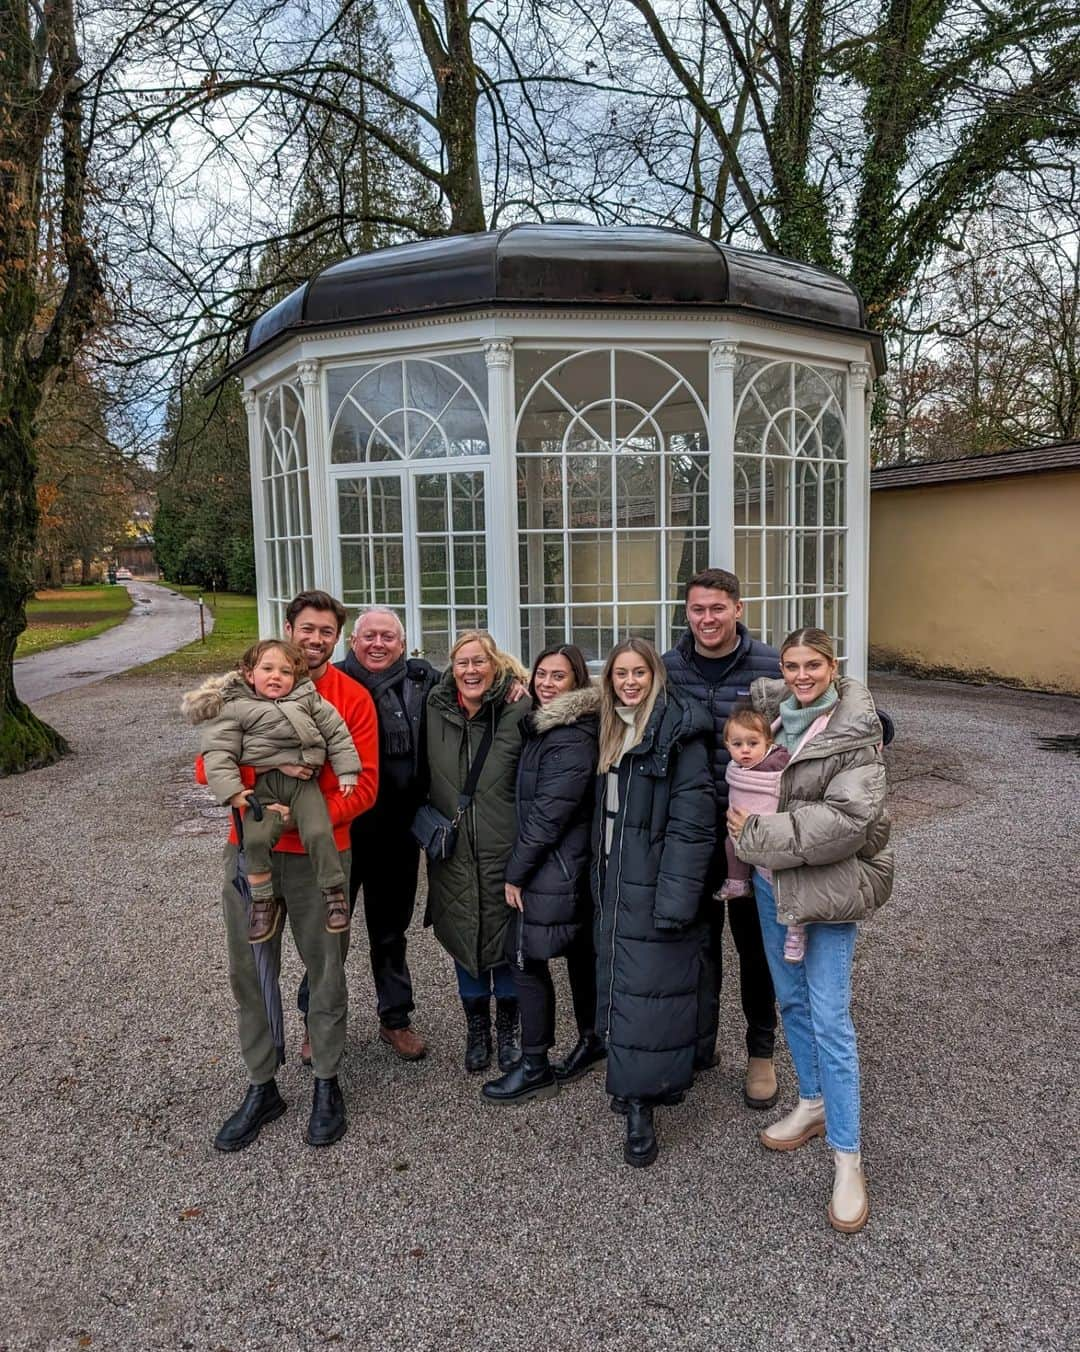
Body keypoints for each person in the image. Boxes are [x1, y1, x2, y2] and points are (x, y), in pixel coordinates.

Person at [200, 590, 379, 1153]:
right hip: (251, 845)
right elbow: (209, 763)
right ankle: (262, 1083)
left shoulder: (349, 698)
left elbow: (364, 783)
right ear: (288, 629)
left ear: (336, 638)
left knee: (326, 968)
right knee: (251, 972)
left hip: (320, 858)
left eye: (327, 631)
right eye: (307, 628)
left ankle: (327, 1079)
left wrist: (304, 819)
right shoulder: (245, 687)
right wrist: (260, 800)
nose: (316, 639)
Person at [728, 627, 893, 1233]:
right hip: (774, 884)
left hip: (827, 888)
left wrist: (754, 834)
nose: (801, 675)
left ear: (833, 666)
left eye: (813, 665)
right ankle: (814, 1103)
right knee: (792, 1001)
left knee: (831, 1016)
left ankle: (848, 1157)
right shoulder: (775, 715)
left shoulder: (855, 732)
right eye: (792, 665)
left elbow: (847, 821)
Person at [662, 568, 783, 1110]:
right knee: (696, 945)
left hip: (753, 836)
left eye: (716, 608)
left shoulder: (771, 667)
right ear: (686, 613)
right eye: (696, 610)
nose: (706, 619)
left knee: (756, 948)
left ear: (737, 608)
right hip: (688, 834)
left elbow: (831, 710)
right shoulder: (668, 668)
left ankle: (761, 1052)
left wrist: (874, 726)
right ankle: (699, 1043)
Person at [593, 638, 715, 1168]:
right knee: (626, 987)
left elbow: (692, 828)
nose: (629, 681)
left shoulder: (675, 734)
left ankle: (642, 1105)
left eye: (639, 672)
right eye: (620, 673)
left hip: (651, 885)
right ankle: (634, 1082)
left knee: (649, 996)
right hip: (614, 878)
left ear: (656, 676)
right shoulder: (612, 726)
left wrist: (674, 902)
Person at [482, 644, 602, 1106]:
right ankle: (593, 1039)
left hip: (555, 863)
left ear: (577, 684)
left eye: (559, 677)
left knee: (524, 958)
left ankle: (534, 1064)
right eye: (542, 676)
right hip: (563, 861)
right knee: (577, 954)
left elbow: (548, 815)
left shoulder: (571, 737)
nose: (547, 684)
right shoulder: (547, 723)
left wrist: (516, 873)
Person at [320, 607, 439, 1062]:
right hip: (341, 830)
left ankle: (395, 1019)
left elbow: (476, 687)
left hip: (397, 833)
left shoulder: (422, 683)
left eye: (387, 637)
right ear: (353, 642)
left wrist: (511, 684)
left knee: (390, 932)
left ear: (402, 644)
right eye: (368, 636)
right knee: (327, 935)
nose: (377, 644)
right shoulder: (330, 685)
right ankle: (320, 1021)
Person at [183, 639, 361, 943]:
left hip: (303, 784)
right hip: (261, 789)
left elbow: (337, 732)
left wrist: (347, 769)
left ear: (296, 677)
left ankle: (333, 893)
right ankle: (263, 901)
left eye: (285, 672)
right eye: (268, 669)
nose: (277, 676)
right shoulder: (234, 707)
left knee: (319, 831)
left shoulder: (307, 699)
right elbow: (217, 752)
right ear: (249, 674)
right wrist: (234, 791)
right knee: (254, 839)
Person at [422, 630, 532, 1074]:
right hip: (451, 850)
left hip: (502, 846)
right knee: (463, 933)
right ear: (452, 666)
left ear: (495, 665)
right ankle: (476, 1028)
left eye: (479, 662)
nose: (471, 670)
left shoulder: (518, 707)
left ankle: (508, 1028)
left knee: (504, 938)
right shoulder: (433, 706)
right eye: (463, 662)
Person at [718, 708, 806, 958]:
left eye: (752, 743)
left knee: (785, 881)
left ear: (768, 742)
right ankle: (737, 882)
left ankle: (796, 931)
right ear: (727, 745)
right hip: (741, 830)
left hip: (770, 833)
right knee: (731, 843)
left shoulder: (775, 762)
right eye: (737, 744)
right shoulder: (737, 768)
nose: (745, 750)